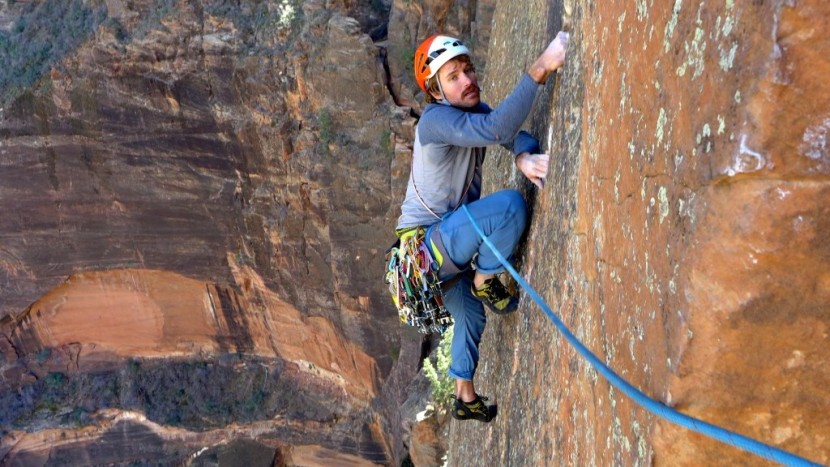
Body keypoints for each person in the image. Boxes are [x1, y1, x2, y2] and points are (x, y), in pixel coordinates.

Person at [396, 31, 569, 422]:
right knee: (509, 206)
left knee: (471, 315)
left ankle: (464, 395)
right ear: (437, 92)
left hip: (430, 263)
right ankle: (485, 277)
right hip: (430, 247)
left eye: (467, 70)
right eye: (453, 76)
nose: (466, 80)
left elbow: (506, 130)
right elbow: (495, 130)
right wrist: (541, 67)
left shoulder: (467, 112)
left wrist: (523, 155)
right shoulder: (436, 121)